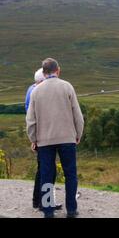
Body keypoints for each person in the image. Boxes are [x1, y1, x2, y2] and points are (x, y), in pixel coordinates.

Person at [26, 58, 84, 218]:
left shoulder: (36, 91)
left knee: (46, 174)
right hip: (67, 138)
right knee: (70, 174)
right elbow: (78, 116)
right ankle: (71, 210)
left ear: (44, 73)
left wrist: (33, 139)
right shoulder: (67, 87)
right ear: (58, 70)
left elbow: (31, 120)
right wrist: (77, 134)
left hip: (44, 141)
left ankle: (48, 211)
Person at [25, 68, 62, 211]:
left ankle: (38, 200)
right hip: (43, 137)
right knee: (48, 170)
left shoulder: (31, 90)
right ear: (41, 80)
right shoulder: (36, 92)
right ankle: (44, 203)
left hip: (38, 136)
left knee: (43, 169)